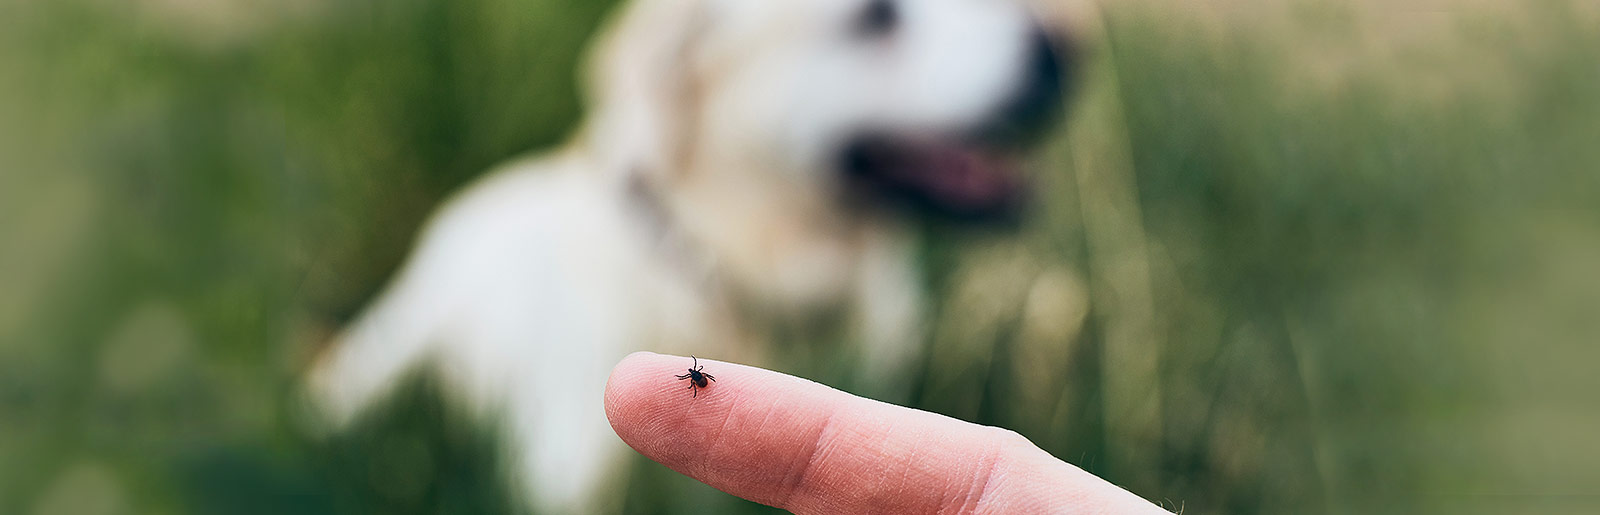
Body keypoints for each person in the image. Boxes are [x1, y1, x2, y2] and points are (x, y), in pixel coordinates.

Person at [605, 353, 1172, 513]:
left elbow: (699, 378)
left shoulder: (700, 381)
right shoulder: (701, 379)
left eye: (697, 378)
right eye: (697, 378)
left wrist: (702, 380)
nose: (697, 380)